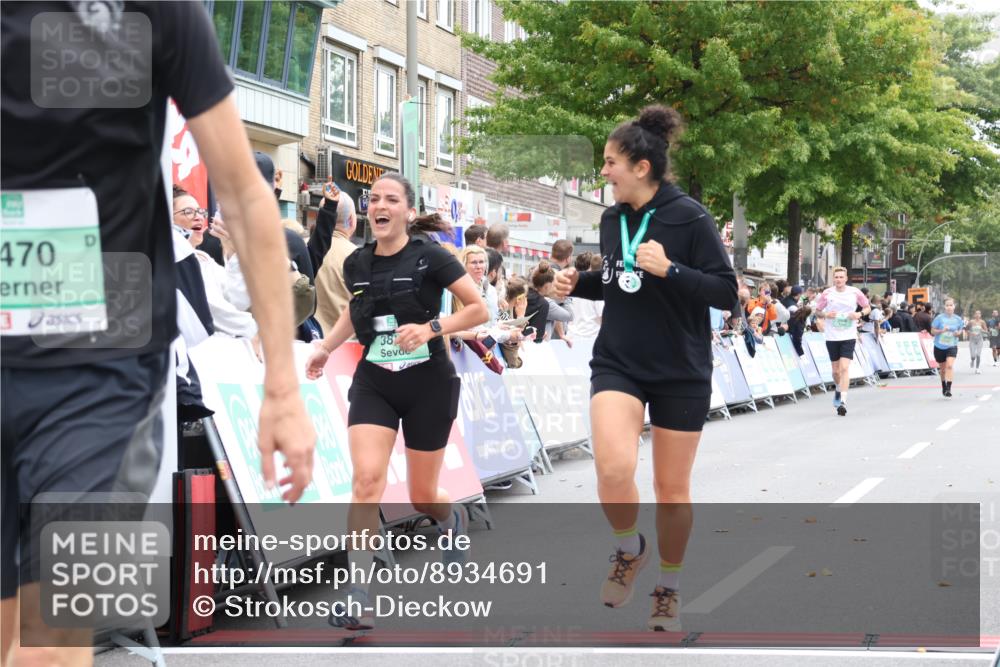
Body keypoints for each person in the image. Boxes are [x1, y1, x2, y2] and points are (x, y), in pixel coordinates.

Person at [1, 3, 315, 664]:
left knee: (50, 634)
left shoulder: (158, 13)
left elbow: (242, 191)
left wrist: (282, 386)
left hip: (102, 375)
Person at [553, 105, 737, 632]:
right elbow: (618, 278)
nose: (603, 172)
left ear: (640, 166)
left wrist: (673, 269)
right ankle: (629, 548)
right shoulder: (612, 219)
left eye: (610, 162)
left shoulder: (691, 217)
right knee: (612, 467)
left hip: (680, 367)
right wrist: (577, 282)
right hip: (620, 361)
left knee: (672, 490)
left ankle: (669, 587)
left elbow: (726, 293)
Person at [304, 173, 487, 631]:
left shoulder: (431, 257)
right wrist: (326, 347)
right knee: (367, 480)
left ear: (408, 210)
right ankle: (358, 594)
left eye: (391, 200)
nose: (380, 206)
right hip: (375, 380)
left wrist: (430, 329)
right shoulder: (356, 263)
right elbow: (354, 309)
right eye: (375, 200)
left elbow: (478, 308)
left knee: (424, 495)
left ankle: (453, 520)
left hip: (428, 380)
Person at [812, 266, 871, 416]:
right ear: (834, 279)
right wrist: (826, 314)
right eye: (836, 277)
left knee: (844, 368)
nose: (838, 279)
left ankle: (843, 401)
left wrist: (858, 314)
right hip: (832, 336)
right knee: (835, 371)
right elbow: (817, 311)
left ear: (846, 279)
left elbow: (867, 307)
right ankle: (838, 389)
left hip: (849, 335)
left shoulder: (854, 292)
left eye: (841, 277)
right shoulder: (827, 293)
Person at [313, 180, 360, 333]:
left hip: (307, 343)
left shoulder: (300, 249)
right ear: (352, 221)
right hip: (347, 347)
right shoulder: (359, 257)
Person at [931, 299, 964, 396]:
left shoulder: (958, 319)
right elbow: (932, 331)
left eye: (951, 305)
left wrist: (958, 333)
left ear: (954, 306)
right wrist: (942, 331)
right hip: (939, 346)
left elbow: (960, 331)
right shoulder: (939, 318)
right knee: (943, 369)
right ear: (944, 307)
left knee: (949, 365)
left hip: (952, 345)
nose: (949, 307)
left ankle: (949, 389)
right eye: (947, 305)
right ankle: (943, 386)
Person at [965, 309, 988, 375]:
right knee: (973, 355)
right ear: (974, 315)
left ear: (980, 315)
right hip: (972, 340)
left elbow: (986, 331)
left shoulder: (982, 322)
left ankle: (977, 368)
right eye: (976, 314)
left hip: (979, 340)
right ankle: (972, 360)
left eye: (979, 314)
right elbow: (966, 330)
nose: (978, 315)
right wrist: (971, 333)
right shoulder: (971, 322)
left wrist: (982, 330)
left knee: (978, 355)